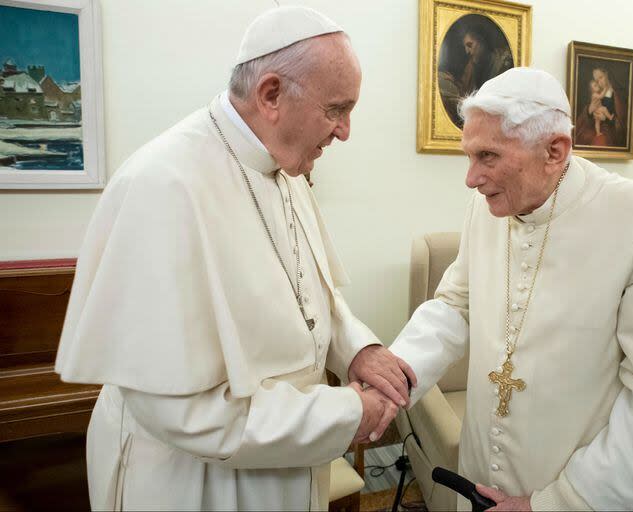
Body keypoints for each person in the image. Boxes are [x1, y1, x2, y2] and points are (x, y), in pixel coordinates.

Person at [54, 6, 414, 511]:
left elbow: (315, 298)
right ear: (271, 95)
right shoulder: (163, 185)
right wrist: (346, 413)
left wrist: (358, 350)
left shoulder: (285, 169)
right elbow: (182, 411)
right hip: (197, 483)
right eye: (336, 109)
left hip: (285, 464)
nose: (345, 130)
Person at [390, 67, 633, 511]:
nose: (471, 178)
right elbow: (454, 305)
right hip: (479, 482)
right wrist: (392, 377)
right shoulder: (483, 209)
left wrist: (552, 503)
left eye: (488, 156)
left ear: (554, 151)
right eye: (468, 156)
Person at [574, 67, 627, 147]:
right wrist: (589, 111)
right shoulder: (598, 93)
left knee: (600, 142)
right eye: (597, 81)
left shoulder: (618, 93)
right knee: (584, 138)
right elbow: (587, 114)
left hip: (611, 130)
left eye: (601, 77)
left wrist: (606, 119)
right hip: (596, 126)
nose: (599, 82)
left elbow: (623, 122)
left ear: (607, 74)